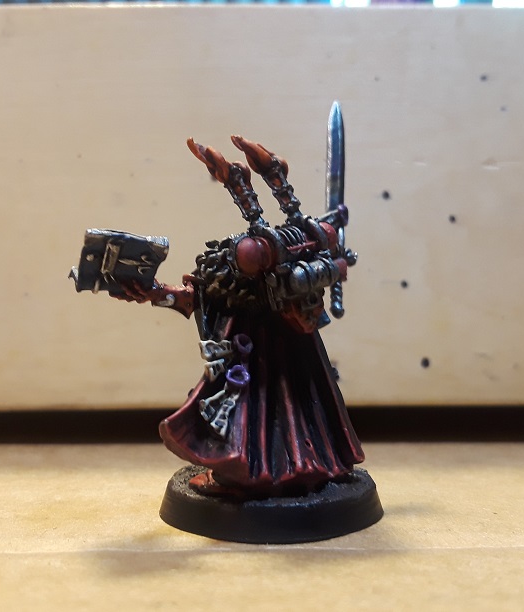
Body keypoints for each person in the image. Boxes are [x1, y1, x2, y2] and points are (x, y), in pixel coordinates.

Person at [117, 135, 363, 499]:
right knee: (260, 416)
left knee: (280, 413)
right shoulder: (237, 279)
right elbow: (195, 299)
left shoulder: (278, 273)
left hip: (274, 361)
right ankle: (275, 470)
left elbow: (200, 297)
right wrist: (154, 293)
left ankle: (279, 472)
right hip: (256, 358)